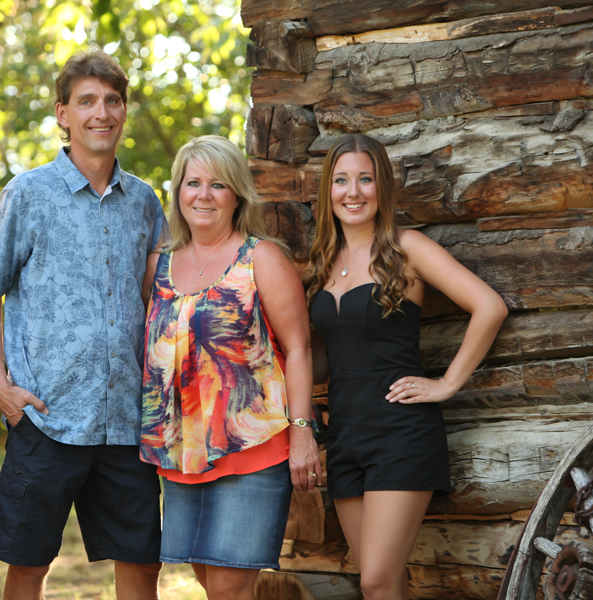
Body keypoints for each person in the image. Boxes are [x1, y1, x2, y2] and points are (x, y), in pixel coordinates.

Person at [0, 49, 166, 600]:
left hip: (126, 421)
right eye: (86, 101)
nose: (100, 112)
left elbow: (156, 298)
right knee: (28, 565)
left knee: (140, 564)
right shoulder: (29, 194)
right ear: (63, 113)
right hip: (46, 415)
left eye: (111, 101)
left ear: (124, 111)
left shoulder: (146, 202)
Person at [305, 134, 508, 600]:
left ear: (383, 188)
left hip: (401, 430)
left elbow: (489, 306)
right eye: (340, 180)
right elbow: (324, 360)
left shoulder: (406, 248)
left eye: (365, 179)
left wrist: (447, 383)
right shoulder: (322, 264)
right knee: (384, 584)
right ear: (327, 190)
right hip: (345, 437)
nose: (352, 192)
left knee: (376, 580)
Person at [139, 135, 321, 600]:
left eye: (217, 184)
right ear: (178, 191)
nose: (203, 195)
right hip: (182, 454)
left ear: (236, 193)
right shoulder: (158, 266)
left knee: (226, 586)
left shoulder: (261, 257)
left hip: (253, 447)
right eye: (192, 183)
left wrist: (302, 431)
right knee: (208, 581)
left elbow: (298, 349)